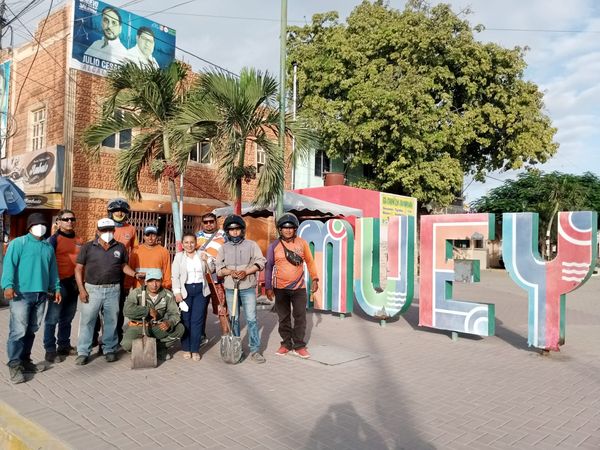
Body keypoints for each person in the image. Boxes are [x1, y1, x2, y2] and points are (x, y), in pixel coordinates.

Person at [2, 213, 61, 384]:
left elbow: (53, 271)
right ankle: (14, 364)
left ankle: (25, 361)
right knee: (18, 330)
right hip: (21, 294)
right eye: (36, 224)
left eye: (43, 224)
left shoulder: (47, 247)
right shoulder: (18, 243)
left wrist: (56, 288)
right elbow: (9, 265)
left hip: (41, 294)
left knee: (31, 329)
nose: (40, 227)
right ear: (29, 227)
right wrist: (7, 285)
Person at [74, 218, 142, 365]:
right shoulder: (88, 247)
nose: (107, 233)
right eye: (104, 230)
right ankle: (83, 352)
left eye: (110, 230)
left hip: (113, 289)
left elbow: (123, 266)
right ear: (98, 231)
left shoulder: (120, 247)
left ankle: (109, 349)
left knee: (111, 321)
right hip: (92, 289)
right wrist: (81, 289)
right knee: (88, 321)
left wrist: (135, 274)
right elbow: (78, 268)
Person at [265, 213, 319, 359]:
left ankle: (299, 346)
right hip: (280, 289)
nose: (288, 230)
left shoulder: (302, 243)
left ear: (295, 229)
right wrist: (268, 287)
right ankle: (286, 344)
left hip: (299, 288)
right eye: (285, 228)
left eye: (291, 228)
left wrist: (315, 278)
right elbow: (268, 267)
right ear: (280, 229)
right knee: (284, 318)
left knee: (300, 317)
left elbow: (310, 262)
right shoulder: (273, 246)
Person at [216, 215, 266, 364]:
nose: (235, 232)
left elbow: (260, 262)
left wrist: (246, 272)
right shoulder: (223, 248)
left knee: (251, 319)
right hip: (231, 288)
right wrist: (230, 272)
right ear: (227, 232)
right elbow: (219, 269)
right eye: (232, 230)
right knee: (234, 319)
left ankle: (255, 350)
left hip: (247, 287)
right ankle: (237, 349)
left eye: (237, 229)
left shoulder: (251, 245)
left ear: (242, 230)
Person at [44, 210, 83, 363]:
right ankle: (49, 349)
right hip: (58, 284)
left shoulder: (79, 239)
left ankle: (64, 346)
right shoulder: (53, 240)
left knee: (67, 317)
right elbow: (47, 263)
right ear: (59, 222)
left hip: (73, 284)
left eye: (72, 219)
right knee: (52, 318)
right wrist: (50, 287)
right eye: (66, 219)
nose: (69, 222)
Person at [122, 269, 184, 361]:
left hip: (157, 327)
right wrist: (147, 311)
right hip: (138, 327)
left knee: (180, 328)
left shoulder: (168, 295)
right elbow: (126, 311)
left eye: (157, 281)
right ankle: (147, 349)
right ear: (146, 282)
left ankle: (159, 347)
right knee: (126, 345)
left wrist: (169, 322)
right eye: (151, 281)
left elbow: (175, 313)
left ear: (161, 281)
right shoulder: (137, 293)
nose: (154, 285)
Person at [172, 233, 214, 361]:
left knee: (197, 320)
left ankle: (195, 349)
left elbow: (211, 270)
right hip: (186, 290)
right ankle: (186, 348)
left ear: (196, 243)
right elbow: (175, 276)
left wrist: (208, 260)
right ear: (182, 244)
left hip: (201, 291)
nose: (189, 245)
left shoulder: (201, 254)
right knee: (185, 320)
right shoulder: (179, 257)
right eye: (186, 242)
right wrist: (177, 292)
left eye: (192, 242)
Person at [196, 212, 228, 338]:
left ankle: (226, 336)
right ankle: (200, 336)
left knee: (222, 309)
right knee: (200, 310)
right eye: (206, 222)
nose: (208, 224)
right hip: (201, 280)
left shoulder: (224, 236)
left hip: (218, 280)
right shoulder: (196, 237)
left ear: (216, 222)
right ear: (202, 223)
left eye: (211, 221)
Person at [129, 225, 172, 290]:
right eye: (147, 235)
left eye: (153, 235)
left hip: (157, 288)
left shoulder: (164, 251)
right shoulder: (136, 250)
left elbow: (167, 271)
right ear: (143, 236)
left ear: (157, 237)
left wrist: (167, 286)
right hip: (139, 288)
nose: (150, 238)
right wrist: (127, 285)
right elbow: (131, 268)